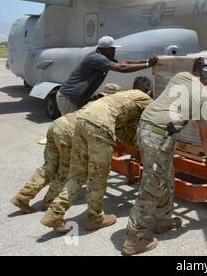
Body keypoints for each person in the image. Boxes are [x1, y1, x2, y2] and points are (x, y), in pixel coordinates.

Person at [121, 57, 207, 256]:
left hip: (147, 127)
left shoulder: (181, 76)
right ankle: (133, 237)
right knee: (153, 183)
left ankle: (164, 219)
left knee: (165, 174)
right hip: (158, 134)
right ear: (206, 72)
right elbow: (205, 134)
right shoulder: (205, 98)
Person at [41, 77, 153, 233]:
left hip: (81, 122)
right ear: (149, 91)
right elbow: (151, 122)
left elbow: (120, 131)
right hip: (99, 126)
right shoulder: (145, 98)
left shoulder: (123, 97)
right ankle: (95, 218)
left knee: (77, 173)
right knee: (98, 176)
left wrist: (135, 146)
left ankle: (54, 213)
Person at [10, 84, 123, 214]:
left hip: (58, 124)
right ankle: (49, 202)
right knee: (66, 170)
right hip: (69, 132)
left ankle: (23, 196)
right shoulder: (110, 106)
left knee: (49, 166)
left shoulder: (94, 100)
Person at [56, 36, 157, 115]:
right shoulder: (96, 58)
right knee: (71, 129)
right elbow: (122, 68)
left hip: (75, 97)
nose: (115, 51)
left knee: (77, 129)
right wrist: (148, 65)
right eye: (113, 49)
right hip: (68, 97)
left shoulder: (104, 57)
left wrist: (147, 61)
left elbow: (124, 63)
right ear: (106, 49)